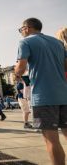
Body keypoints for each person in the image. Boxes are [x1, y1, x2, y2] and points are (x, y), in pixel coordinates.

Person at [15, 18, 67, 165]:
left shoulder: (25, 42)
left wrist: (16, 71)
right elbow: (65, 66)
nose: (21, 32)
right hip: (64, 95)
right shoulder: (57, 42)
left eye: (21, 29)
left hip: (43, 97)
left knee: (51, 140)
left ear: (27, 28)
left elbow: (20, 68)